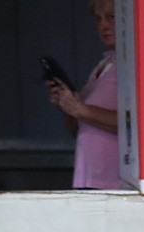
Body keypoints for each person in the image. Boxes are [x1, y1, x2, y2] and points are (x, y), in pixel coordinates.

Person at [48, 0, 124, 189]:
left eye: (111, 17)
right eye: (98, 19)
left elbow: (138, 125)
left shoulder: (133, 64)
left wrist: (80, 109)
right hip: (88, 177)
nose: (103, 25)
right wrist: (67, 106)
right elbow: (79, 129)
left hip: (115, 180)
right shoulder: (103, 65)